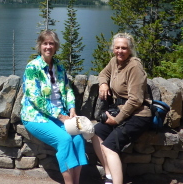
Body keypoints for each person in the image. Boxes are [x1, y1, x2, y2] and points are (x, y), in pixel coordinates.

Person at [21, 29, 88, 184]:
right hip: (35, 116)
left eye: (51, 43)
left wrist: (71, 108)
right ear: (40, 46)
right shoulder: (33, 68)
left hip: (61, 115)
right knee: (64, 139)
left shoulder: (59, 66)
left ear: (56, 46)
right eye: (45, 43)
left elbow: (67, 89)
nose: (48, 47)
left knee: (78, 139)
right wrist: (60, 116)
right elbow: (35, 98)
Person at [91, 33, 152, 184]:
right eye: (117, 47)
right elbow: (103, 74)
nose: (120, 51)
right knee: (96, 132)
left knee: (109, 146)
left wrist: (116, 119)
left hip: (138, 115)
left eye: (124, 48)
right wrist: (103, 84)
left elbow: (136, 99)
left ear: (130, 49)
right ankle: (109, 176)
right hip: (122, 112)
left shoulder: (134, 67)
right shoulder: (114, 62)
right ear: (113, 49)